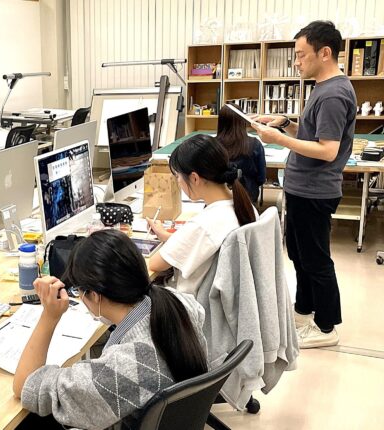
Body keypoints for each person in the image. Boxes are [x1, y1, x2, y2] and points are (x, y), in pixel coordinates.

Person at [13, 229, 208, 430]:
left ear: (95, 295)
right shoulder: (179, 302)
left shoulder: (119, 369)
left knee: (29, 421)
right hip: (174, 418)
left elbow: (25, 385)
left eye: (78, 291)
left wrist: (49, 316)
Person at [251, 21, 356, 349]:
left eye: (301, 55)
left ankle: (326, 327)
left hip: (315, 191)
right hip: (301, 188)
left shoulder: (334, 93)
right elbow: (313, 136)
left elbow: (327, 150)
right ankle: (304, 310)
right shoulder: (322, 87)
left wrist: (278, 139)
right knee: (299, 254)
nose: (296, 62)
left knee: (316, 260)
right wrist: (285, 124)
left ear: (324, 53)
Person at [147, 134, 257, 296]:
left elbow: (155, 264)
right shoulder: (244, 206)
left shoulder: (203, 225)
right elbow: (203, 243)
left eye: (177, 176)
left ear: (194, 178)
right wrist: (167, 236)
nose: (178, 182)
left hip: (191, 305)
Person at [217, 103, 266, 203]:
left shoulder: (212, 145)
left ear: (220, 121)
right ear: (242, 120)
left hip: (218, 197)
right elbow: (261, 178)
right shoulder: (255, 144)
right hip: (248, 197)